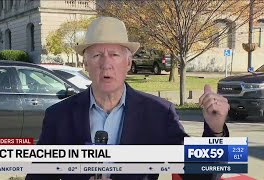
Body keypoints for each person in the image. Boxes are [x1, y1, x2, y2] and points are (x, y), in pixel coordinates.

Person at [26, 16, 230, 180]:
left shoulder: (158, 113)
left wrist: (215, 131)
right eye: (97, 55)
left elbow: (203, 175)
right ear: (86, 64)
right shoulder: (58, 115)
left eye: (114, 55)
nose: (106, 64)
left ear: (128, 63)